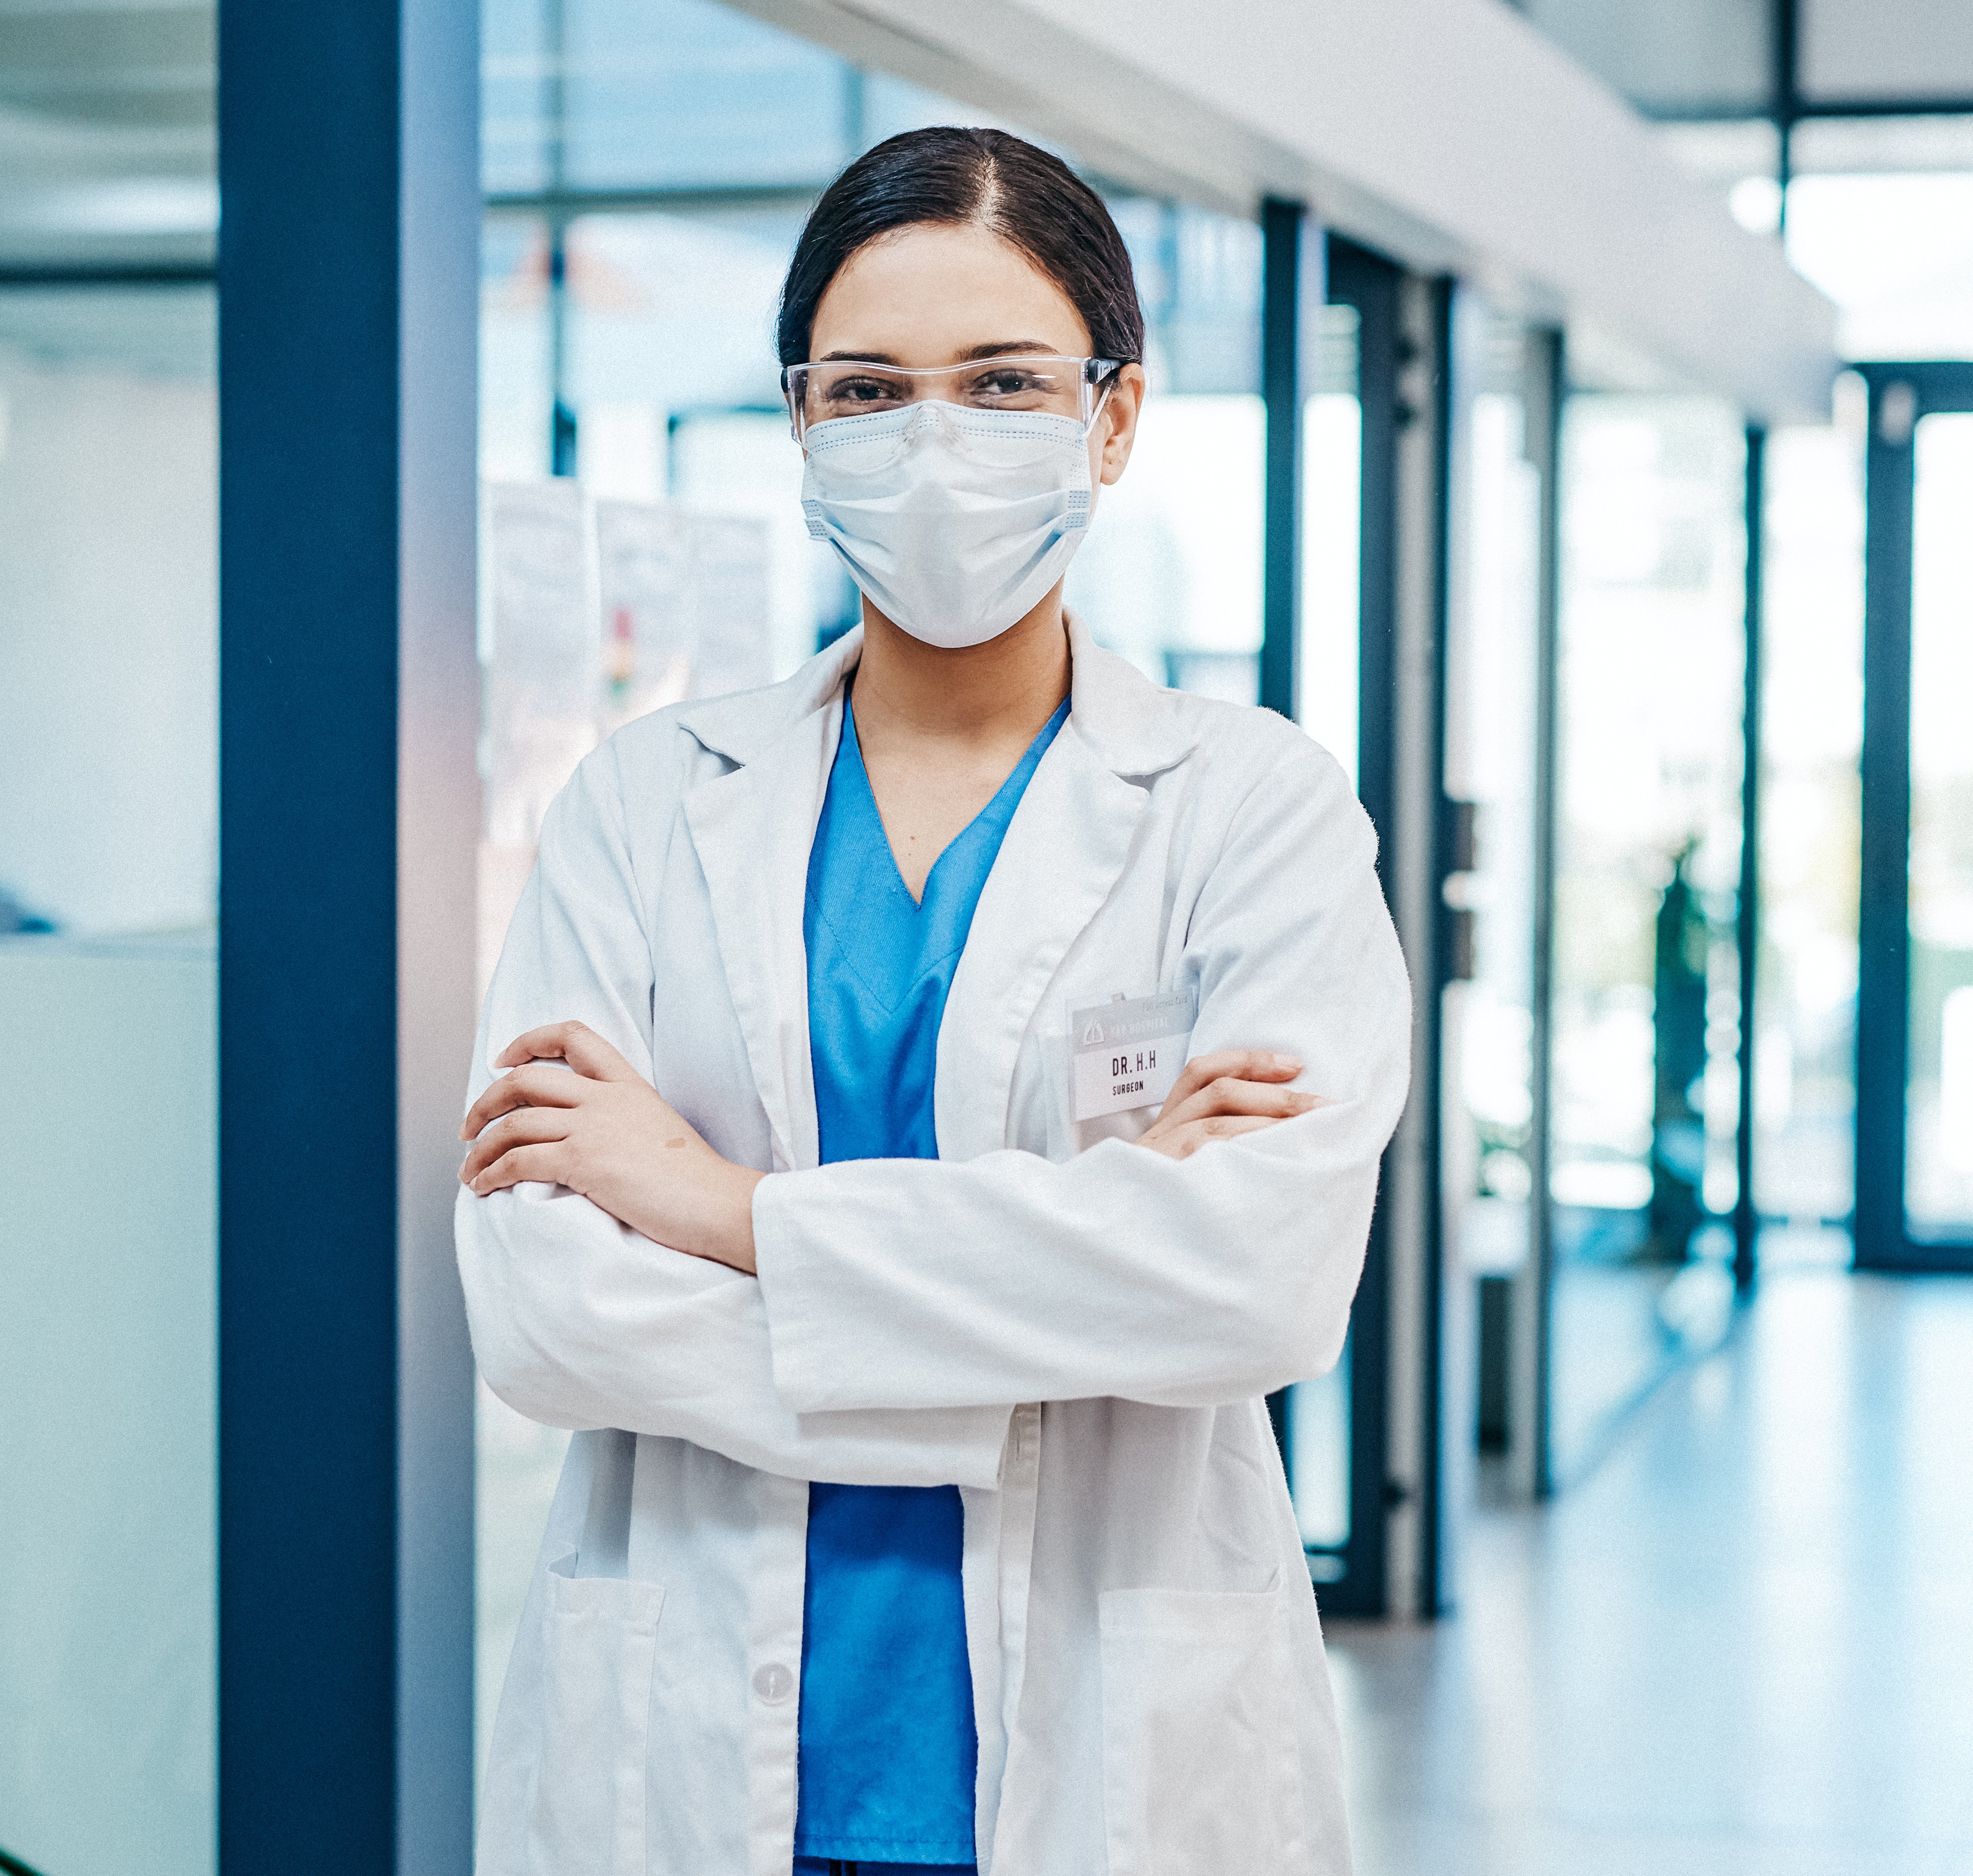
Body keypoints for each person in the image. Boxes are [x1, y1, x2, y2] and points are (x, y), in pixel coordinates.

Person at [456, 125, 1409, 1876]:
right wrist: (1053, 1328)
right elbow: (542, 1313)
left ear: (1111, 415)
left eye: (999, 381)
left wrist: (719, 1209)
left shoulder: (1244, 808)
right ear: (801, 421)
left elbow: (1256, 1286)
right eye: (869, 387)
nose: (934, 441)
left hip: (1105, 1755)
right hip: (689, 1752)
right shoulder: (646, 801)